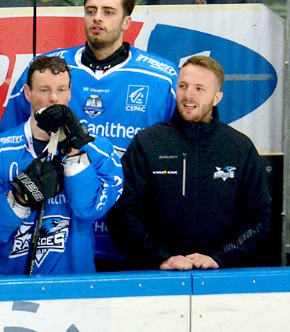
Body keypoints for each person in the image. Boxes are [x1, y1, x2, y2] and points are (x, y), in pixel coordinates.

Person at [0, 0, 176, 266]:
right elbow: (7, 145)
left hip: (134, 239)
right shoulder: (48, 71)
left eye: (108, 12)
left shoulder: (163, 78)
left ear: (127, 22)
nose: (97, 18)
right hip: (59, 242)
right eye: (91, 11)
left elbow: (177, 161)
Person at [108, 55, 271, 270]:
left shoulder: (240, 148)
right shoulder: (148, 143)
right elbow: (122, 211)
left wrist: (219, 257)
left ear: (217, 97)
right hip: (155, 274)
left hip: (220, 276)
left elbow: (258, 219)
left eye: (199, 89)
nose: (188, 95)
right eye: (183, 86)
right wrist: (160, 257)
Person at [0, 55, 122, 275]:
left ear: (70, 92)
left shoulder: (99, 150)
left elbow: (88, 209)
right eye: (44, 90)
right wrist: (20, 198)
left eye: (61, 89)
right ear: (28, 92)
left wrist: (74, 152)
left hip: (73, 286)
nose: (54, 98)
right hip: (7, 286)